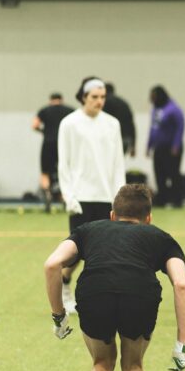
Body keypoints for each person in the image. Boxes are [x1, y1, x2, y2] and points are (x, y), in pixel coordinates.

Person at [44, 184, 185, 371]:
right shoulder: (161, 237)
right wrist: (182, 346)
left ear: (112, 215)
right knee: (133, 365)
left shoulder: (89, 230)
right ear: (148, 218)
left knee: (102, 362)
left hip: (94, 292)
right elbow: (182, 285)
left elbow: (52, 264)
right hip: (140, 294)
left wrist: (59, 316)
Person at [57, 77, 126, 313]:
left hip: (106, 196)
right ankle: (64, 285)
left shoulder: (112, 124)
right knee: (77, 252)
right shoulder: (69, 123)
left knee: (105, 252)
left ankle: (96, 297)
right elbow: (63, 162)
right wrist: (68, 195)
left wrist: (121, 196)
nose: (99, 101)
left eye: (102, 97)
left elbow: (118, 163)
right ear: (83, 97)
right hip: (80, 197)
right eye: (94, 97)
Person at [31, 92, 74, 210]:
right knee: (66, 171)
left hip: (48, 143)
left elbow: (34, 125)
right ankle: (65, 196)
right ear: (62, 100)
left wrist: (43, 131)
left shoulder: (44, 110)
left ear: (50, 100)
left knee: (45, 172)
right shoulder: (69, 110)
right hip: (64, 144)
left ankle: (47, 194)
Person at [147, 86, 185, 208]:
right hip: (159, 147)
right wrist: (149, 145)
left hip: (171, 148)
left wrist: (176, 145)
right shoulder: (155, 110)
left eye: (153, 97)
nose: (151, 100)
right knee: (159, 173)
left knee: (173, 174)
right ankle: (162, 199)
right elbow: (153, 129)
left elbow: (180, 128)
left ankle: (177, 200)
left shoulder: (173, 109)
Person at [103, 82, 137, 157]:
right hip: (126, 138)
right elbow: (131, 124)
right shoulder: (124, 103)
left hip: (112, 138)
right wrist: (133, 146)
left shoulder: (104, 103)